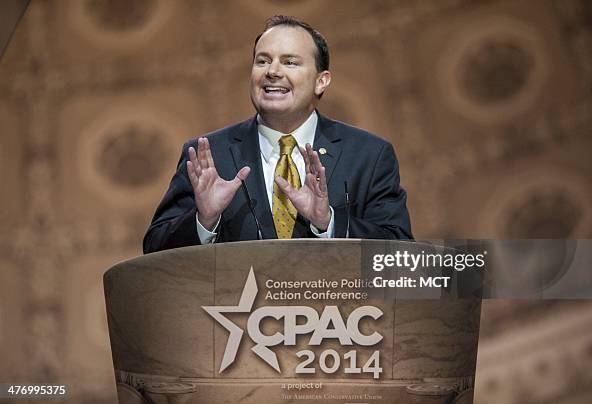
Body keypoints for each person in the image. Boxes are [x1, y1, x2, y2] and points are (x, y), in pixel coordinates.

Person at [143, 15, 412, 253]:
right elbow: (154, 249)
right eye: (262, 61)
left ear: (321, 80)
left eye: (290, 62)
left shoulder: (368, 155)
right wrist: (204, 221)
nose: (272, 72)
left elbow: (401, 255)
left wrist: (328, 222)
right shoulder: (208, 154)